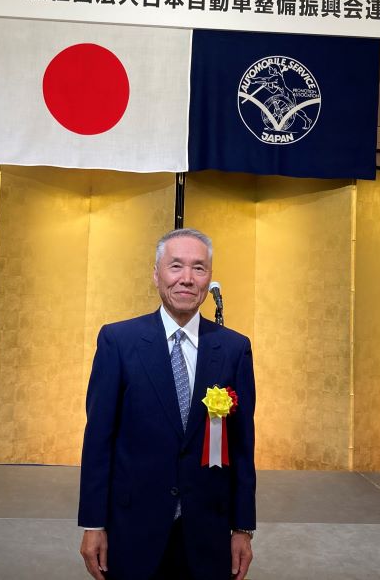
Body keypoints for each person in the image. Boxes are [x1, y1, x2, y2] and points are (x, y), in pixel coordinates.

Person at [78, 228, 256, 580]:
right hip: (132, 527)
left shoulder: (234, 349)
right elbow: (98, 440)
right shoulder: (118, 341)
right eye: (176, 266)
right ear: (156, 274)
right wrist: (93, 523)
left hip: (208, 530)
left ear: (209, 277)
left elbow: (241, 447)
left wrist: (242, 528)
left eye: (198, 268)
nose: (187, 278)